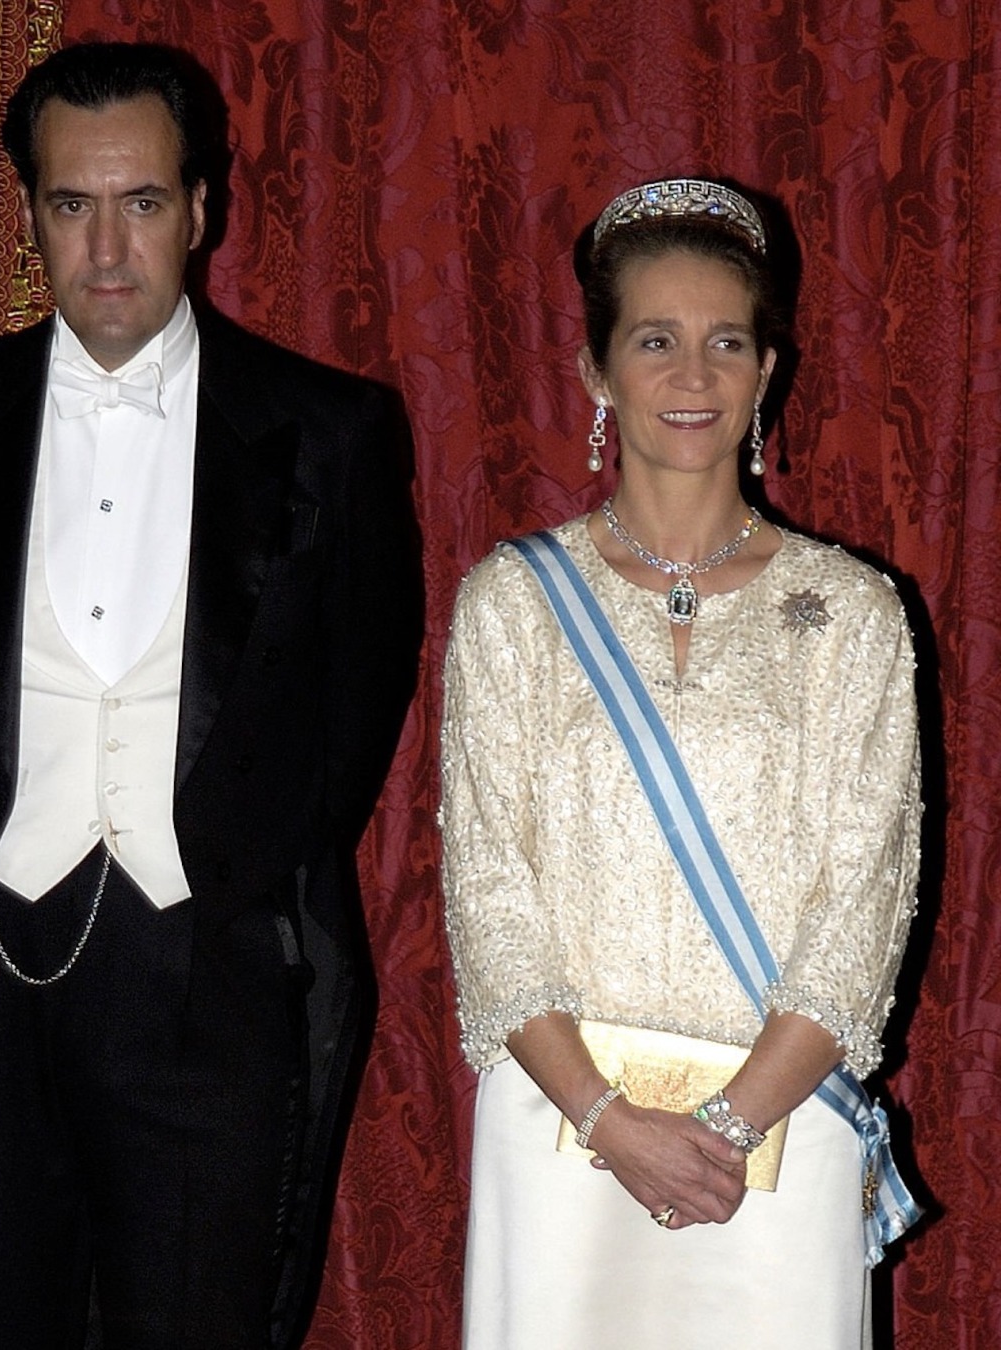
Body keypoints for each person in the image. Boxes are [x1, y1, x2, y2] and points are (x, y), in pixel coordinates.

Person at [0, 41, 421, 1350]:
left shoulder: (331, 429)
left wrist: (234, 887)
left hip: (211, 977)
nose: (108, 249)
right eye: (72, 204)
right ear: (30, 214)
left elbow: (358, 702)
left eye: (143, 202)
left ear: (200, 209)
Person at [440, 178, 921, 1347]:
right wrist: (608, 1120)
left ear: (766, 371)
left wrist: (726, 1125)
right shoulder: (511, 605)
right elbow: (488, 892)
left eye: (725, 343)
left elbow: (861, 905)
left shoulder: (850, 614)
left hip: (775, 1133)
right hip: (563, 1133)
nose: (692, 375)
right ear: (595, 372)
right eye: (654, 341)